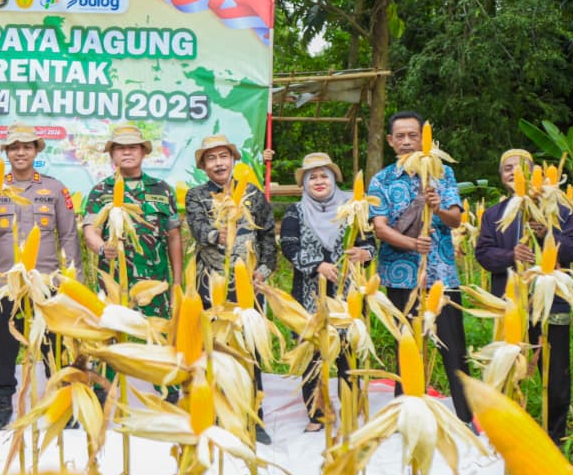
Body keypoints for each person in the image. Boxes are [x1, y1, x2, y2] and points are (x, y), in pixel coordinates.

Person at [0, 124, 82, 430]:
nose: (20, 152)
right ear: (7, 153)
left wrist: (73, 282)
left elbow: (69, 236)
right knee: (4, 348)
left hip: (46, 284)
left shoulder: (55, 189)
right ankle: (3, 406)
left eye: (27, 147)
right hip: (6, 285)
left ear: (36, 151)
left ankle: (60, 404)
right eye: (14, 147)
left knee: (54, 347)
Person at [368, 111, 473, 424]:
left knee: (453, 346)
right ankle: (407, 415)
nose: (406, 142)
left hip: (441, 275)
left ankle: (466, 416)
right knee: (407, 345)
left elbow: (456, 219)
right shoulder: (382, 180)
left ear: (423, 138)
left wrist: (437, 207)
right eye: (400, 136)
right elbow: (380, 227)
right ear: (390, 141)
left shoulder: (443, 173)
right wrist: (413, 244)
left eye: (412, 135)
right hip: (400, 275)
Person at [474, 149, 573, 444]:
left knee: (555, 372)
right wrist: (512, 255)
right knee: (509, 367)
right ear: (501, 176)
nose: (514, 171)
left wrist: (548, 234)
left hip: (552, 302)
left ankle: (554, 436)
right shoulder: (494, 215)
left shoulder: (561, 210)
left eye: (521, 166)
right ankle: (508, 430)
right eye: (507, 167)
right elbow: (483, 253)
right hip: (511, 302)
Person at [184, 133, 276, 441]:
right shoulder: (197, 195)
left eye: (223, 156)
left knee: (250, 349)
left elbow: (267, 236)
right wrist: (217, 235)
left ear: (233, 160)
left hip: (248, 285)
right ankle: (212, 413)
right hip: (211, 283)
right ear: (204, 166)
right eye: (211, 158)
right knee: (212, 348)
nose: (218, 163)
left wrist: (264, 270)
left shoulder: (252, 194)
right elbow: (197, 228)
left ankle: (254, 417)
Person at [278, 153, 375, 430]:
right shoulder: (295, 211)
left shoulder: (354, 207)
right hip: (310, 294)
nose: (319, 181)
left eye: (324, 176)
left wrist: (364, 253)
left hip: (347, 294)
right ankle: (317, 413)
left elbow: (369, 242)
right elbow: (289, 245)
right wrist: (317, 265)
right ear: (304, 184)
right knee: (312, 352)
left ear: (333, 179)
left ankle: (351, 408)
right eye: (312, 177)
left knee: (348, 351)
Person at [82, 125, 182, 317]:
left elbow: (174, 237)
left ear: (143, 152)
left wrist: (177, 285)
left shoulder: (162, 189)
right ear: (112, 154)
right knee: (114, 334)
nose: (127, 152)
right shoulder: (101, 190)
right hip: (113, 286)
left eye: (133, 147)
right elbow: (91, 231)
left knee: (155, 335)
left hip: (155, 287)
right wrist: (102, 248)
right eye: (120, 148)